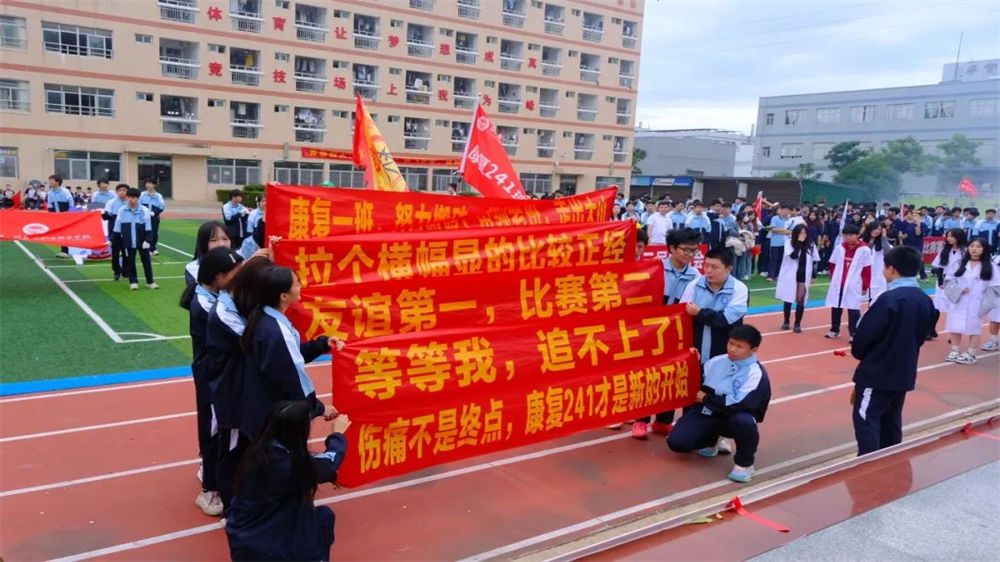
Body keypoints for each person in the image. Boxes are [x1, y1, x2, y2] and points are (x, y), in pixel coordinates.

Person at [226, 401, 351, 561]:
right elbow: (329, 463)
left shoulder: (258, 452)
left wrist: (320, 410)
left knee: (317, 515)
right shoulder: (291, 466)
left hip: (242, 537)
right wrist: (338, 434)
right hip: (270, 548)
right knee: (324, 518)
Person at [850, 246, 936, 455]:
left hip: (878, 372)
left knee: (866, 418)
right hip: (904, 369)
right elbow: (925, 333)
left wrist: (860, 353)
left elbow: (865, 335)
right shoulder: (924, 299)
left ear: (892, 269)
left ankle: (869, 464)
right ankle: (890, 461)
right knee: (891, 419)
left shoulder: (889, 299)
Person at [239, 265, 341, 441]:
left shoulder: (264, 317)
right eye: (296, 284)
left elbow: (289, 355)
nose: (300, 286)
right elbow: (292, 378)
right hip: (275, 418)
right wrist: (318, 408)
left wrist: (322, 345)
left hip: (263, 409)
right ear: (283, 296)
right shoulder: (275, 331)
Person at [619, 228, 703, 439]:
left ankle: (663, 421)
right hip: (651, 331)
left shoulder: (696, 277)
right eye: (685, 250)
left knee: (672, 375)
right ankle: (641, 420)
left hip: (677, 332)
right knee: (647, 374)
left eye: (694, 250)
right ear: (672, 248)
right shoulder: (654, 268)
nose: (690, 255)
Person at [667, 325, 771, 483]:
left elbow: (740, 404)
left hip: (733, 416)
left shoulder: (755, 374)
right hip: (709, 411)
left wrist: (706, 399)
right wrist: (692, 361)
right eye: (731, 343)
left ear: (754, 349)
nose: (732, 349)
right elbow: (696, 377)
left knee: (744, 422)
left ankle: (744, 463)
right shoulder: (717, 361)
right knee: (677, 442)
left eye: (739, 346)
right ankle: (712, 440)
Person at [189, 247, 243, 517]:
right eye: (236, 273)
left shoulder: (215, 294)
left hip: (221, 374)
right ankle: (209, 490)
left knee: (223, 431)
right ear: (218, 276)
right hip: (210, 377)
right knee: (214, 432)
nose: (240, 277)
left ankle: (219, 477)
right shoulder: (206, 306)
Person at [944, 238, 998, 364]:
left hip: (977, 302)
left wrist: (986, 303)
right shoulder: (959, 264)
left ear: (984, 249)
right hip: (958, 300)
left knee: (975, 327)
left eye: (978, 247)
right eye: (972, 246)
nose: (974, 249)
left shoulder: (990, 267)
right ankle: (955, 350)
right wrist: (959, 289)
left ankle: (971, 353)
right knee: (954, 325)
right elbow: (949, 280)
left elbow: (995, 287)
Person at [825, 224, 871, 341]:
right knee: (836, 306)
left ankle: (854, 333)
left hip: (854, 284)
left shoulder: (864, 250)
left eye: (851, 235)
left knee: (853, 308)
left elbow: (867, 269)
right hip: (839, 283)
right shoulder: (840, 247)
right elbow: (832, 264)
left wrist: (865, 285)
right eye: (845, 235)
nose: (848, 238)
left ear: (857, 235)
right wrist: (834, 278)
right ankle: (835, 329)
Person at [112, 187, 158, 291]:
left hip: (142, 241)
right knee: (130, 261)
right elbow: (117, 226)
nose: (131, 199)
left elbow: (148, 227)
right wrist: (111, 239)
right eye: (129, 197)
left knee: (146, 261)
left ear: (138, 198)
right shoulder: (122, 210)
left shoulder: (144, 210)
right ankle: (133, 282)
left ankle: (150, 282)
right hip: (128, 241)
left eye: (134, 197)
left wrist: (148, 240)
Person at [776, 224, 820, 332]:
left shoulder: (811, 244)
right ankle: (786, 321)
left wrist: (814, 275)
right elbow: (793, 256)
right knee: (788, 299)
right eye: (800, 233)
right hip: (791, 274)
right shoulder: (789, 243)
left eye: (804, 233)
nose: (802, 235)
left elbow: (815, 260)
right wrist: (799, 243)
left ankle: (797, 323)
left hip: (803, 275)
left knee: (801, 300)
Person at [930, 228, 967, 339]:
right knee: (937, 306)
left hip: (958, 282)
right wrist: (940, 281)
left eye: (952, 236)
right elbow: (940, 267)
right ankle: (931, 329)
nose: (949, 238)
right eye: (948, 236)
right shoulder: (944, 250)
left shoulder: (965, 251)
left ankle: (954, 334)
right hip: (944, 281)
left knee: (955, 307)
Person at [184, 221, 233, 289]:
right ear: (203, 243)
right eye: (213, 240)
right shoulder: (193, 268)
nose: (221, 244)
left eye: (225, 239)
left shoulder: (238, 264)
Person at [861, 220, 891, 302]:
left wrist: (884, 238)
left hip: (877, 274)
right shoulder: (861, 241)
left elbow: (888, 252)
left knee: (877, 299)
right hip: (864, 272)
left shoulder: (881, 243)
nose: (877, 231)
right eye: (875, 229)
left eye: (879, 229)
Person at [103, 184, 129, 281]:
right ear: (117, 192)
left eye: (124, 190)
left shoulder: (130, 202)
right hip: (114, 231)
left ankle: (125, 272)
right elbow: (106, 216)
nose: (122, 192)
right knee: (115, 253)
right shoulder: (111, 202)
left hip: (126, 231)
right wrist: (104, 215)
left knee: (126, 253)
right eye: (120, 190)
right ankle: (117, 271)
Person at [46, 174, 74, 257]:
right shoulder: (50, 192)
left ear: (57, 182)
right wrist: (52, 215)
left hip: (66, 213)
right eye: (50, 180)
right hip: (56, 215)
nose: (50, 182)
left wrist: (69, 212)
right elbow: (49, 204)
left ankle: (69, 251)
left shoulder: (65, 191)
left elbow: (71, 202)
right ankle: (64, 250)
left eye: (52, 180)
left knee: (68, 232)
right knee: (61, 232)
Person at [766, 204, 792, 281]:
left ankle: (777, 275)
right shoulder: (775, 218)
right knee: (773, 259)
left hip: (785, 243)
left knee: (781, 260)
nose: (786, 211)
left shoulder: (790, 220)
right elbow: (773, 229)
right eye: (784, 210)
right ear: (781, 210)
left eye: (787, 210)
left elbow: (791, 231)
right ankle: (770, 275)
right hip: (775, 243)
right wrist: (785, 231)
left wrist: (782, 231)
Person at [139, 178, 165, 255]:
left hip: (154, 217)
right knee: (144, 232)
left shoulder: (158, 196)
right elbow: (139, 204)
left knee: (154, 233)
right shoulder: (142, 194)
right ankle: (146, 248)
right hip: (144, 217)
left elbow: (161, 206)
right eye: (146, 183)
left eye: (150, 183)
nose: (148, 185)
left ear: (154, 185)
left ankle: (153, 248)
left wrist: (154, 213)